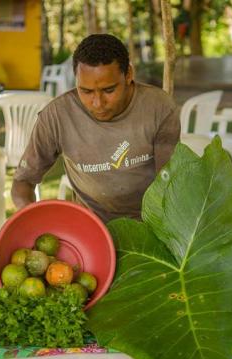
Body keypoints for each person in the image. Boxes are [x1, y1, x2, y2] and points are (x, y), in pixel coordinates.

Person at [11, 34, 180, 222]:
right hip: (90, 227)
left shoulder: (159, 107)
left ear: (129, 74)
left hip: (149, 223)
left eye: (109, 90)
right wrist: (32, 220)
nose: (98, 103)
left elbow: (169, 183)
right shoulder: (57, 115)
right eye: (86, 91)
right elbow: (22, 182)